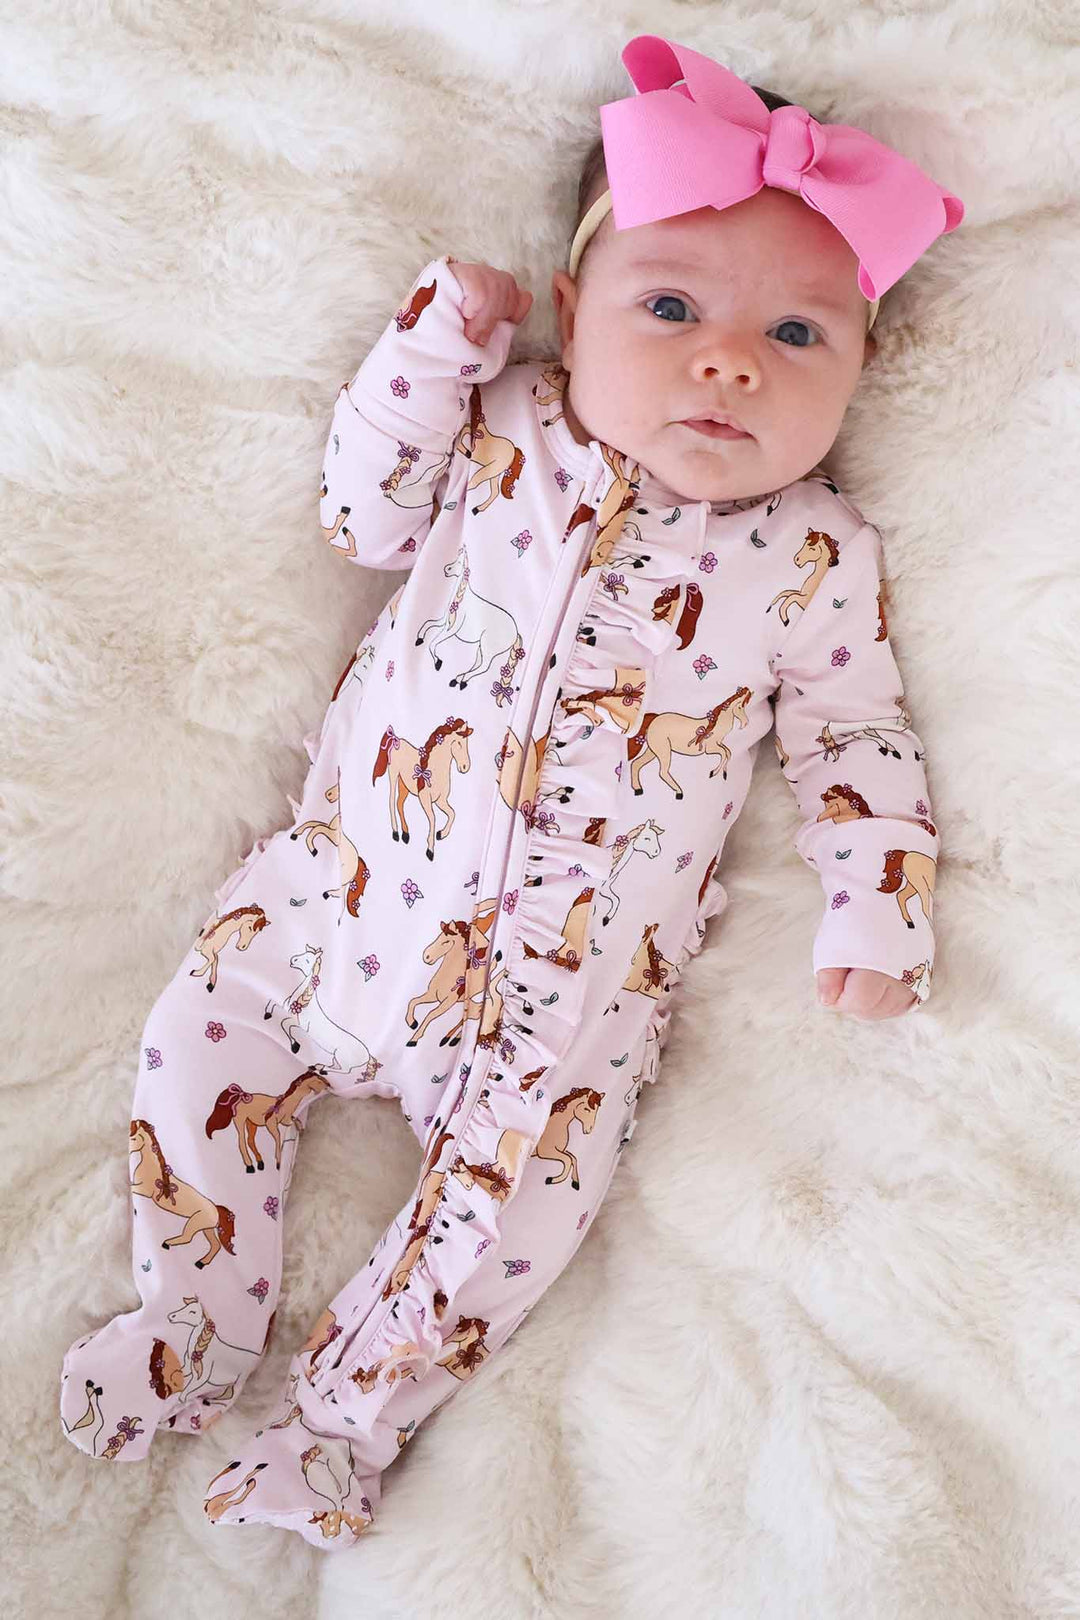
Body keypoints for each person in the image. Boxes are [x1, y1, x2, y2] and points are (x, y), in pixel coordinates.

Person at [59, 33, 961, 1551]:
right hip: (331, 905)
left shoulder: (812, 554)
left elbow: (859, 736)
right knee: (190, 1046)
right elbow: (358, 512)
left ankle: (338, 1429)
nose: (727, 361)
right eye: (670, 308)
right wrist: (430, 349)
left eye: (799, 337)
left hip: (565, 1013)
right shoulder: (503, 427)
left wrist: (883, 906)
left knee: (504, 1236)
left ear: (863, 374)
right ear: (569, 312)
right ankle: (188, 1313)